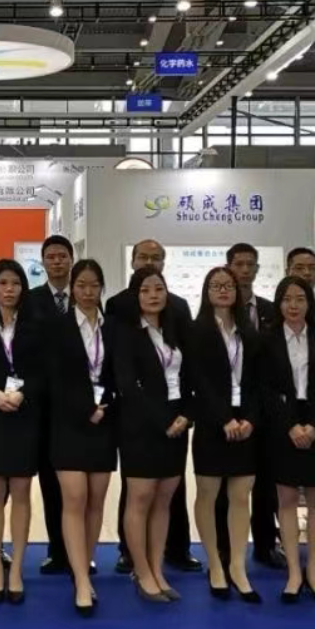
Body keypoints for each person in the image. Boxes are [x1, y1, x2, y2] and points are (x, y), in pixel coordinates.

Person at [106, 239, 199, 575]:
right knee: (139, 493)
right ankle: (133, 558)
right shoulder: (119, 311)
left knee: (169, 494)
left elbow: (192, 371)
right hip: (141, 422)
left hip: (177, 418)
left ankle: (169, 556)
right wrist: (161, 420)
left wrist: (186, 414)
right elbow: (125, 379)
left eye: (156, 258)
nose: (153, 295)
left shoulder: (178, 311)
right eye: (143, 257)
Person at [0, 259, 47, 606]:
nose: (9, 289)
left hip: (24, 416)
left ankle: (16, 569)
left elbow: (44, 372)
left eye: (15, 283)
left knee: (21, 491)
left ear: (23, 288)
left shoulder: (36, 324)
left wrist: (23, 393)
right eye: (2, 283)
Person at [188, 266, 264, 603]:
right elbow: (198, 381)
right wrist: (223, 419)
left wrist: (249, 420)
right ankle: (215, 564)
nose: (223, 290)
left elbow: (259, 382)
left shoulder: (249, 332)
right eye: (216, 285)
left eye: (228, 285)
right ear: (206, 292)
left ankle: (237, 565)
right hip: (211, 423)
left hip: (245, 423)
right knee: (208, 494)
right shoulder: (196, 331)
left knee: (241, 495)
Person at [263, 276, 315, 605]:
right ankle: (294, 571)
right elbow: (264, 388)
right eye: (287, 299)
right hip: (283, 425)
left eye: (300, 299)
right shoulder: (267, 338)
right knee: (287, 499)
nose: (293, 305)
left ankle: (314, 571)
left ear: (310, 303)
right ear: (278, 303)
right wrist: (290, 425)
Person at [50, 258, 117, 617]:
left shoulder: (113, 326)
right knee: (74, 498)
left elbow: (119, 374)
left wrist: (105, 406)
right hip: (69, 424)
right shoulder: (58, 327)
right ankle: (79, 579)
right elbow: (55, 380)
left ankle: (86, 565)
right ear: (72, 289)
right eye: (81, 285)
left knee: (95, 501)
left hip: (104, 422)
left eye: (94, 285)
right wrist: (85, 410)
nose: (88, 292)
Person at [26, 233, 77, 577]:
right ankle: (57, 550)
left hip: (80, 406)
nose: (57, 262)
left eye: (62, 256)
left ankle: (80, 552)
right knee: (49, 481)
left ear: (71, 260)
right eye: (51, 257)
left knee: (78, 487)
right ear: (43, 262)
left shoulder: (86, 296)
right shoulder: (31, 300)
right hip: (43, 406)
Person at [228, 242, 281, 569]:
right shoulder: (218, 311)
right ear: (229, 267)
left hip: (266, 409)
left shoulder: (271, 311)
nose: (245, 270)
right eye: (239, 264)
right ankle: (225, 549)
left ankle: (265, 545)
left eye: (251, 265)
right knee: (228, 486)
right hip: (231, 410)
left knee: (266, 482)